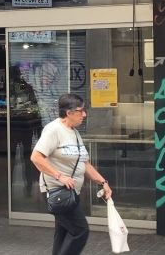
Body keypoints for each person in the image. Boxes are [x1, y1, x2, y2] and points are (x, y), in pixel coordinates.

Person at [30, 93, 112, 255]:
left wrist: (103, 182)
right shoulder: (54, 130)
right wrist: (59, 176)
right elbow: (36, 157)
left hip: (71, 193)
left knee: (64, 233)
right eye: (81, 111)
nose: (84, 114)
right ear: (69, 112)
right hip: (58, 192)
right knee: (80, 231)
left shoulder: (74, 132)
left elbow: (84, 163)